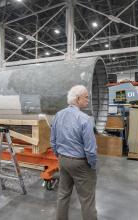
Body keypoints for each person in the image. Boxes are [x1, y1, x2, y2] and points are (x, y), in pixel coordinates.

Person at [50, 85, 98, 220]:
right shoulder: (84, 119)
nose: (88, 100)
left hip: (63, 160)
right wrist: (92, 165)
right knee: (87, 199)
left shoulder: (58, 115)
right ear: (78, 99)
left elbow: (52, 140)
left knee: (63, 195)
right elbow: (90, 149)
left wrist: (59, 155)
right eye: (86, 97)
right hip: (80, 163)